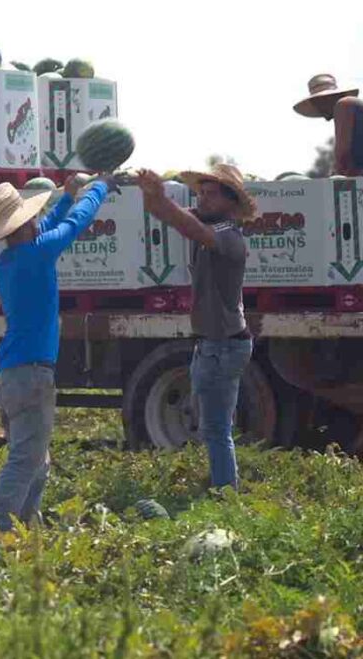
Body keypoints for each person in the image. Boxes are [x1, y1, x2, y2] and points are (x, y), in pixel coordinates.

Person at [0, 173, 113, 531]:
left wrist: (66, 195)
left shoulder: (9, 261)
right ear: (25, 222)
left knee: (38, 459)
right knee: (26, 458)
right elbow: (73, 224)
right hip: (31, 374)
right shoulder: (37, 254)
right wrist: (100, 187)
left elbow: (48, 226)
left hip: (11, 374)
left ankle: (26, 528)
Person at [135, 164, 257, 489]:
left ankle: (225, 492)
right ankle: (222, 484)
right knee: (210, 425)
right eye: (200, 192)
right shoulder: (207, 225)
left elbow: (186, 225)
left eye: (211, 194)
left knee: (217, 429)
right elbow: (166, 214)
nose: (202, 198)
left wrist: (161, 198)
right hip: (209, 345)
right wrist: (152, 195)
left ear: (231, 202)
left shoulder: (230, 239)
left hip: (226, 346)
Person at [293, 74, 363, 176]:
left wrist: (336, 176)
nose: (319, 110)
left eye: (317, 105)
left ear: (323, 99)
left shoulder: (344, 104)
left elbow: (343, 154)